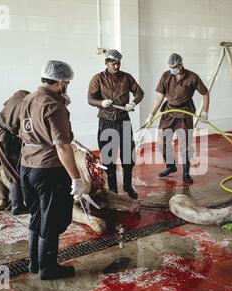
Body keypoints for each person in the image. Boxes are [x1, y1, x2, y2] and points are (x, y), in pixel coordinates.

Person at [19, 60, 86, 280]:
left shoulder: (27, 99)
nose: (67, 86)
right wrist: (76, 177)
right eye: (67, 82)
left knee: (37, 215)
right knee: (52, 217)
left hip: (27, 167)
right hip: (49, 169)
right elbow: (62, 145)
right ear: (61, 81)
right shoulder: (54, 106)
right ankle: (48, 268)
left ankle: (35, 263)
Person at [88, 49, 144, 199]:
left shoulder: (126, 77)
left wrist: (133, 102)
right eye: (114, 64)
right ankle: (113, 189)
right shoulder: (98, 79)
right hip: (106, 121)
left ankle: (127, 185)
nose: (117, 66)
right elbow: (90, 99)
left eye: (118, 63)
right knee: (108, 157)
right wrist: (101, 102)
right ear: (106, 63)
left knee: (128, 156)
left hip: (123, 120)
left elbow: (140, 93)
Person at [146, 53, 210, 184]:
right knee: (162, 142)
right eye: (170, 67)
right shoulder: (166, 75)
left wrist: (205, 112)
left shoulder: (192, 77)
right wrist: (151, 114)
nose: (172, 69)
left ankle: (186, 173)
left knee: (185, 145)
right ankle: (171, 166)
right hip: (168, 112)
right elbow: (159, 96)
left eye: (174, 66)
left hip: (184, 113)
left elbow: (205, 93)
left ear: (181, 65)